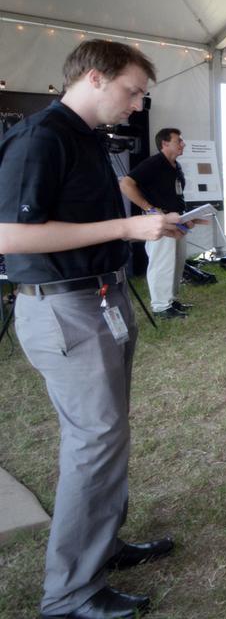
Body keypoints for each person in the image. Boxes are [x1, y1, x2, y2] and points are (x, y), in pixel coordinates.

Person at [0, 40, 185, 619]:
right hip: (63, 306)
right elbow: (11, 236)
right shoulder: (41, 138)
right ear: (96, 78)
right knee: (94, 441)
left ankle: (101, 547)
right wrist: (127, 231)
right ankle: (70, 593)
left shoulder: (88, 140)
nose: (137, 105)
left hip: (96, 298)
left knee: (105, 437)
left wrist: (142, 224)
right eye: (132, 91)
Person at [120, 127, 189, 319]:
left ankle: (171, 300)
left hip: (177, 220)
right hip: (161, 221)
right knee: (162, 262)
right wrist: (149, 208)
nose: (183, 144)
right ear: (165, 143)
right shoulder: (154, 163)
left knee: (177, 261)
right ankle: (160, 306)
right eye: (179, 141)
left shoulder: (176, 165)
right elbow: (126, 184)